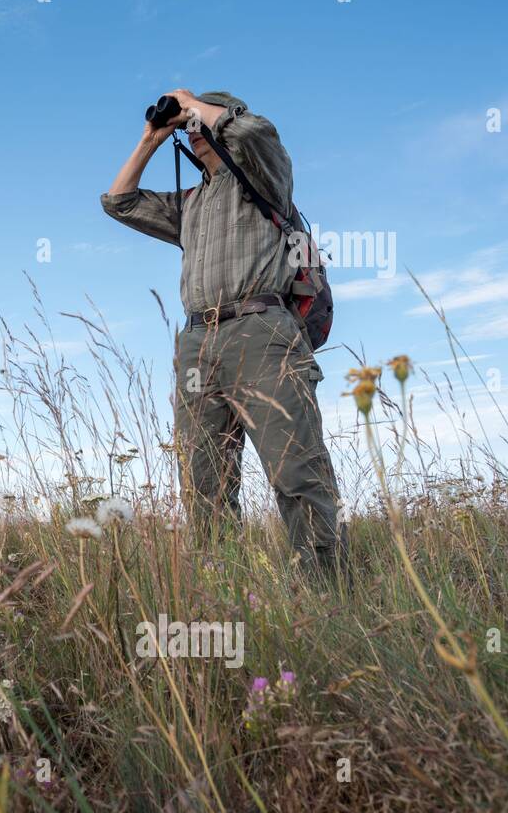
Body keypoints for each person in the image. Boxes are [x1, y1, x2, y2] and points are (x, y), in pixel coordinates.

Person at [103, 89, 347, 584]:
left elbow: (255, 132)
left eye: (198, 123)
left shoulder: (265, 178)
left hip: (262, 331)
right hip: (197, 341)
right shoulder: (191, 202)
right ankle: (223, 591)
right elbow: (120, 202)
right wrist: (152, 138)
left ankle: (327, 593)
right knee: (203, 479)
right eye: (187, 127)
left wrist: (194, 103)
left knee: (295, 468)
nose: (192, 133)